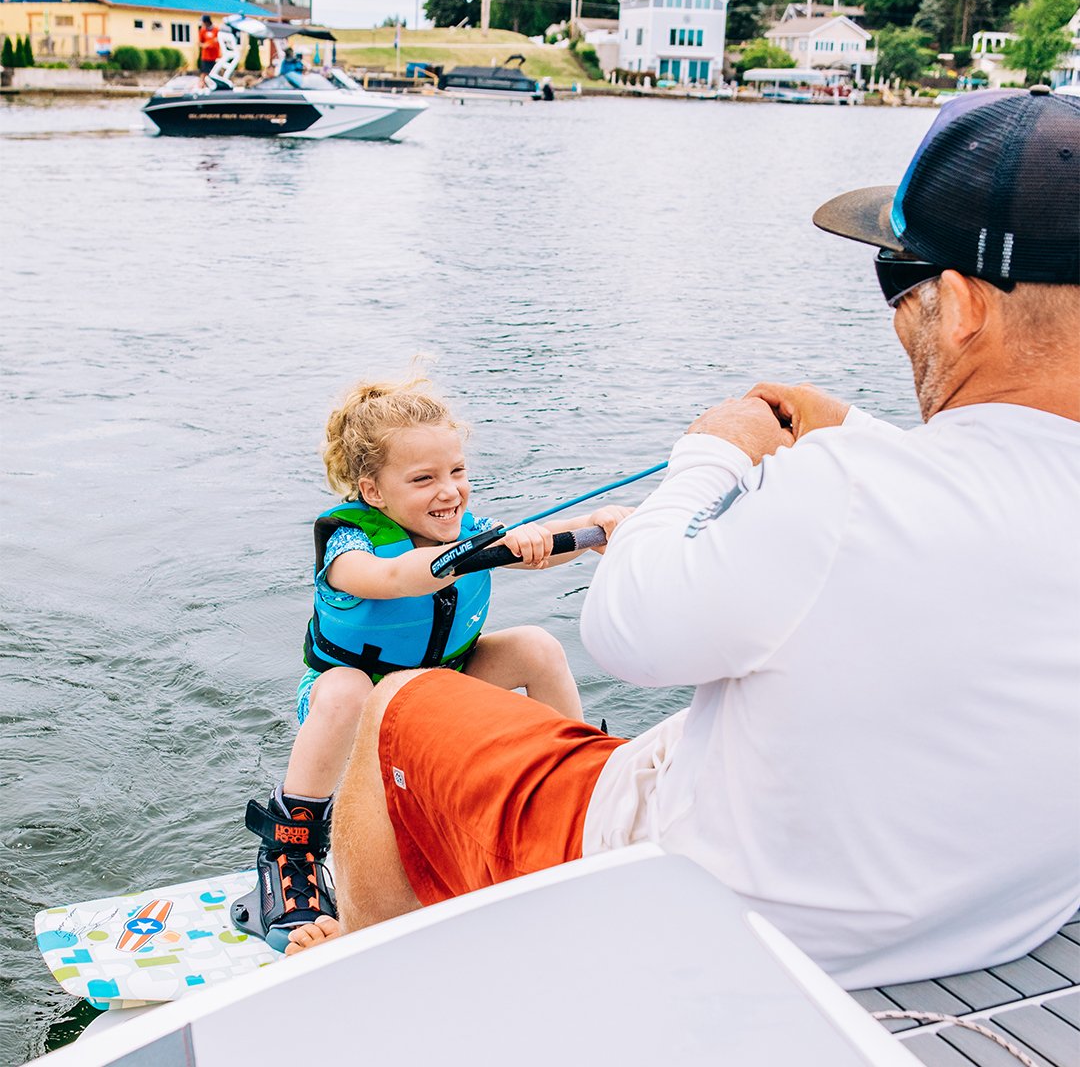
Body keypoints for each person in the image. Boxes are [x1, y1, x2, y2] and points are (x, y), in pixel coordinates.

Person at [286, 88, 1080, 990]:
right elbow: (992, 495)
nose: (897, 316)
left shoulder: (841, 494)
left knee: (399, 707)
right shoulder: (883, 478)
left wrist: (712, 452)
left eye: (900, 280)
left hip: (714, 914)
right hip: (984, 923)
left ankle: (369, 984)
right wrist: (854, 429)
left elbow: (628, 630)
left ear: (966, 306)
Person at [233, 377, 629, 950]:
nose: (450, 493)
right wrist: (467, 554)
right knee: (343, 688)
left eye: (457, 473)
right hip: (356, 701)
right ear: (372, 491)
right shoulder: (348, 546)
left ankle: (581, 793)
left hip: (441, 683)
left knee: (536, 646)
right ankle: (291, 855)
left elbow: (536, 551)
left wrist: (598, 527)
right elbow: (394, 578)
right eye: (423, 480)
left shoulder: (465, 529)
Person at [197, 15, 220, 87]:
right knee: (204, 72)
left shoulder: (216, 30)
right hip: (206, 56)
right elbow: (200, 42)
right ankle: (201, 86)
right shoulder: (202, 30)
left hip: (214, 56)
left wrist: (212, 43)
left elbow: (218, 40)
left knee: (215, 72)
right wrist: (205, 45)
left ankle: (214, 85)